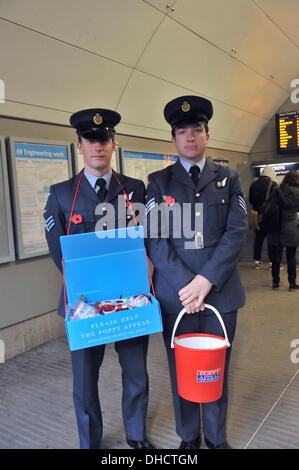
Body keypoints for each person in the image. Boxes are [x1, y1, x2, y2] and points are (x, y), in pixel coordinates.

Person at [44, 108, 153, 450]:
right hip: (84, 303)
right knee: (85, 381)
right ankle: (90, 441)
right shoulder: (62, 194)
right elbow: (58, 252)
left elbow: (148, 239)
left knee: (136, 374)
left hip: (131, 300)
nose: (97, 147)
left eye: (103, 140)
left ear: (113, 143)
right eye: (90, 140)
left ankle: (136, 435)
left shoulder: (135, 190)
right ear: (79, 146)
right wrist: (92, 287)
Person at [145, 95, 247, 449]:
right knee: (181, 369)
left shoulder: (229, 178)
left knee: (216, 367)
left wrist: (205, 281)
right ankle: (189, 436)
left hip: (220, 292)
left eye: (197, 130)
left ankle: (216, 438)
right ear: (173, 139)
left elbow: (236, 233)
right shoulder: (158, 183)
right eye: (183, 131)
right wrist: (187, 286)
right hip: (178, 297)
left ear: (207, 134)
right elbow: (156, 239)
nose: (190, 137)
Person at [268, 170, 299, 291]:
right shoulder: (297, 193)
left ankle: (275, 283)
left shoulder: (277, 191)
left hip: (276, 226)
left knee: (276, 257)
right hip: (291, 227)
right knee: (291, 257)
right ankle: (292, 284)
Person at [249, 166, 278, 269]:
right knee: (271, 240)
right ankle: (271, 263)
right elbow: (277, 200)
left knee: (258, 239)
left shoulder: (254, 184)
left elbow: (251, 200)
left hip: (257, 216)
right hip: (270, 217)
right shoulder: (273, 184)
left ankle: (257, 261)